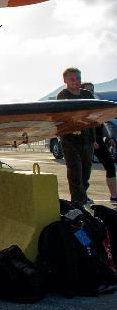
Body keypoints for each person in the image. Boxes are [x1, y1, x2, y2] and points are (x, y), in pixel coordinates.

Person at [56, 68, 95, 206]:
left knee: (86, 174)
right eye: (72, 79)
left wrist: (94, 140)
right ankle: (79, 203)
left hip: (87, 140)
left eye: (78, 78)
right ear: (65, 80)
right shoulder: (62, 95)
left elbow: (93, 117)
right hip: (70, 140)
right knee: (75, 173)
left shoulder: (88, 95)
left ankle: (81, 198)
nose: (76, 82)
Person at [80, 82, 116, 204]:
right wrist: (92, 140)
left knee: (110, 164)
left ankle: (114, 195)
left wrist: (110, 137)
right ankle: (82, 196)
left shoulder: (96, 105)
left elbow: (103, 123)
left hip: (98, 141)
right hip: (86, 141)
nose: (90, 92)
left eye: (92, 90)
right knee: (84, 170)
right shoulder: (80, 107)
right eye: (88, 90)